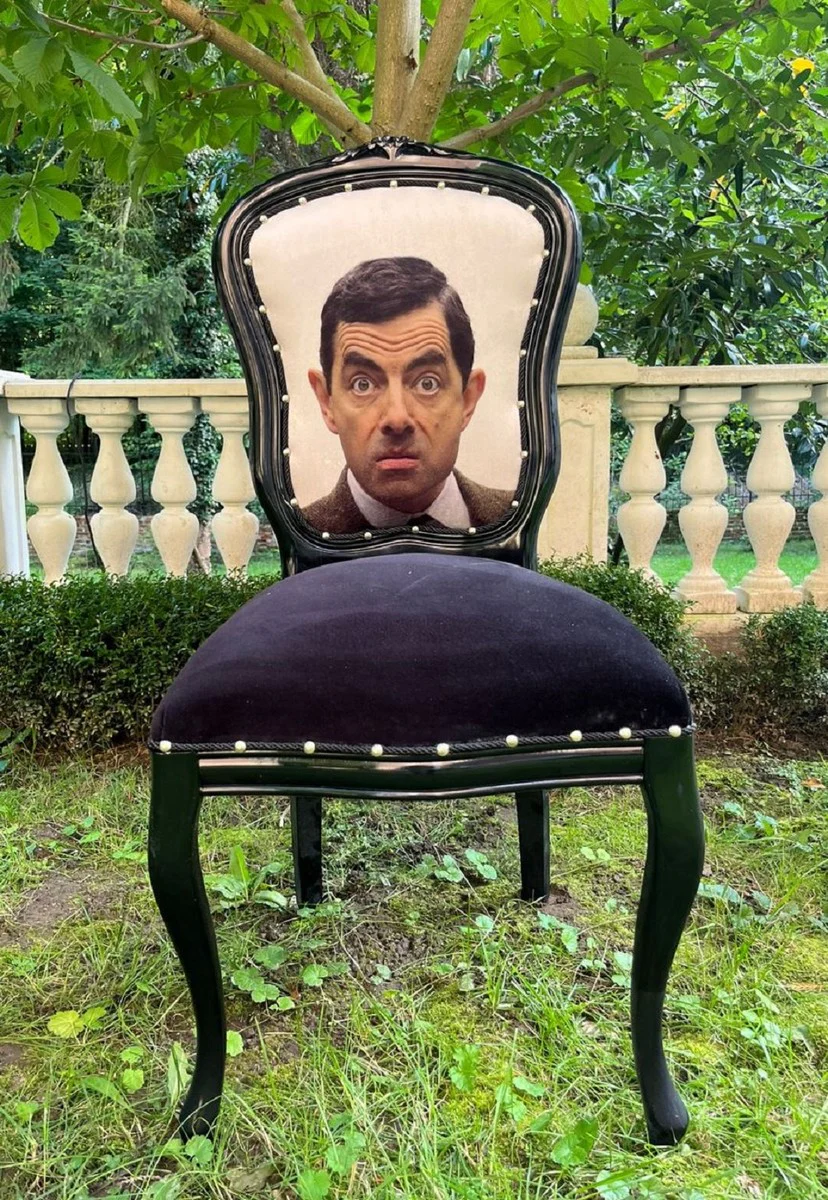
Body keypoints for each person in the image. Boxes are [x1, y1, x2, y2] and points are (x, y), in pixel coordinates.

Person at [303, 256, 514, 533]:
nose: (397, 418)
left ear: (468, 399)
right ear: (326, 402)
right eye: (362, 384)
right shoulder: (301, 533)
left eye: (427, 383)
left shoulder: (518, 518)